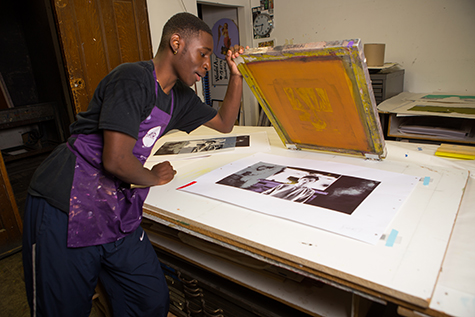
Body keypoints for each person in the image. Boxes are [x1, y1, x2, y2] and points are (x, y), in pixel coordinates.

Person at [22, 12, 246, 317]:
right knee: (62, 308)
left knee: (149, 299)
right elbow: (114, 159)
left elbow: (224, 123)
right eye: (203, 53)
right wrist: (152, 177)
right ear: (176, 43)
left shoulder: (178, 97)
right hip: (66, 202)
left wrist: (237, 75)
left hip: (115, 207)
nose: (207, 64)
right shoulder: (132, 78)